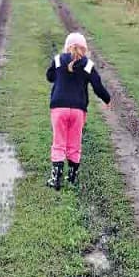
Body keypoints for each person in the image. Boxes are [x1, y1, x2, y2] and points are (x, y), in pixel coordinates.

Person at [46, 31, 111, 189]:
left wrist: (60, 75)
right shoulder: (88, 65)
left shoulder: (58, 60)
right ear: (84, 49)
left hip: (59, 107)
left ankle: (56, 179)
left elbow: (49, 76)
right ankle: (72, 177)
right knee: (74, 143)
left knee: (59, 142)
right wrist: (107, 99)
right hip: (78, 110)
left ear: (67, 47)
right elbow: (97, 86)